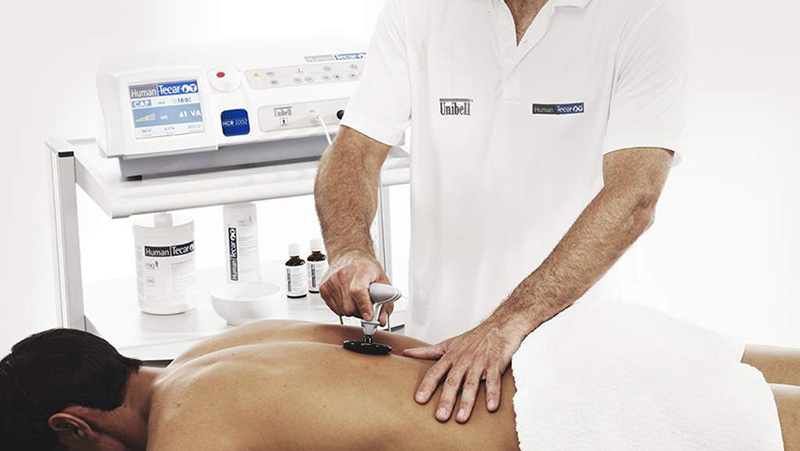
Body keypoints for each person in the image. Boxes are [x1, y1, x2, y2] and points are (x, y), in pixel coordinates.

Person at [314, 0, 690, 423]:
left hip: (574, 360)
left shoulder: (643, 13)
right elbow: (356, 148)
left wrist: (507, 323)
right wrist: (348, 249)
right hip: (437, 355)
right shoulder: (415, 9)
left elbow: (635, 194)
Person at [1, 307, 799, 451]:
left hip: (578, 419)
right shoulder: (225, 345)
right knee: (766, 375)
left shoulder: (188, 433)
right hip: (567, 346)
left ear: (72, 424)